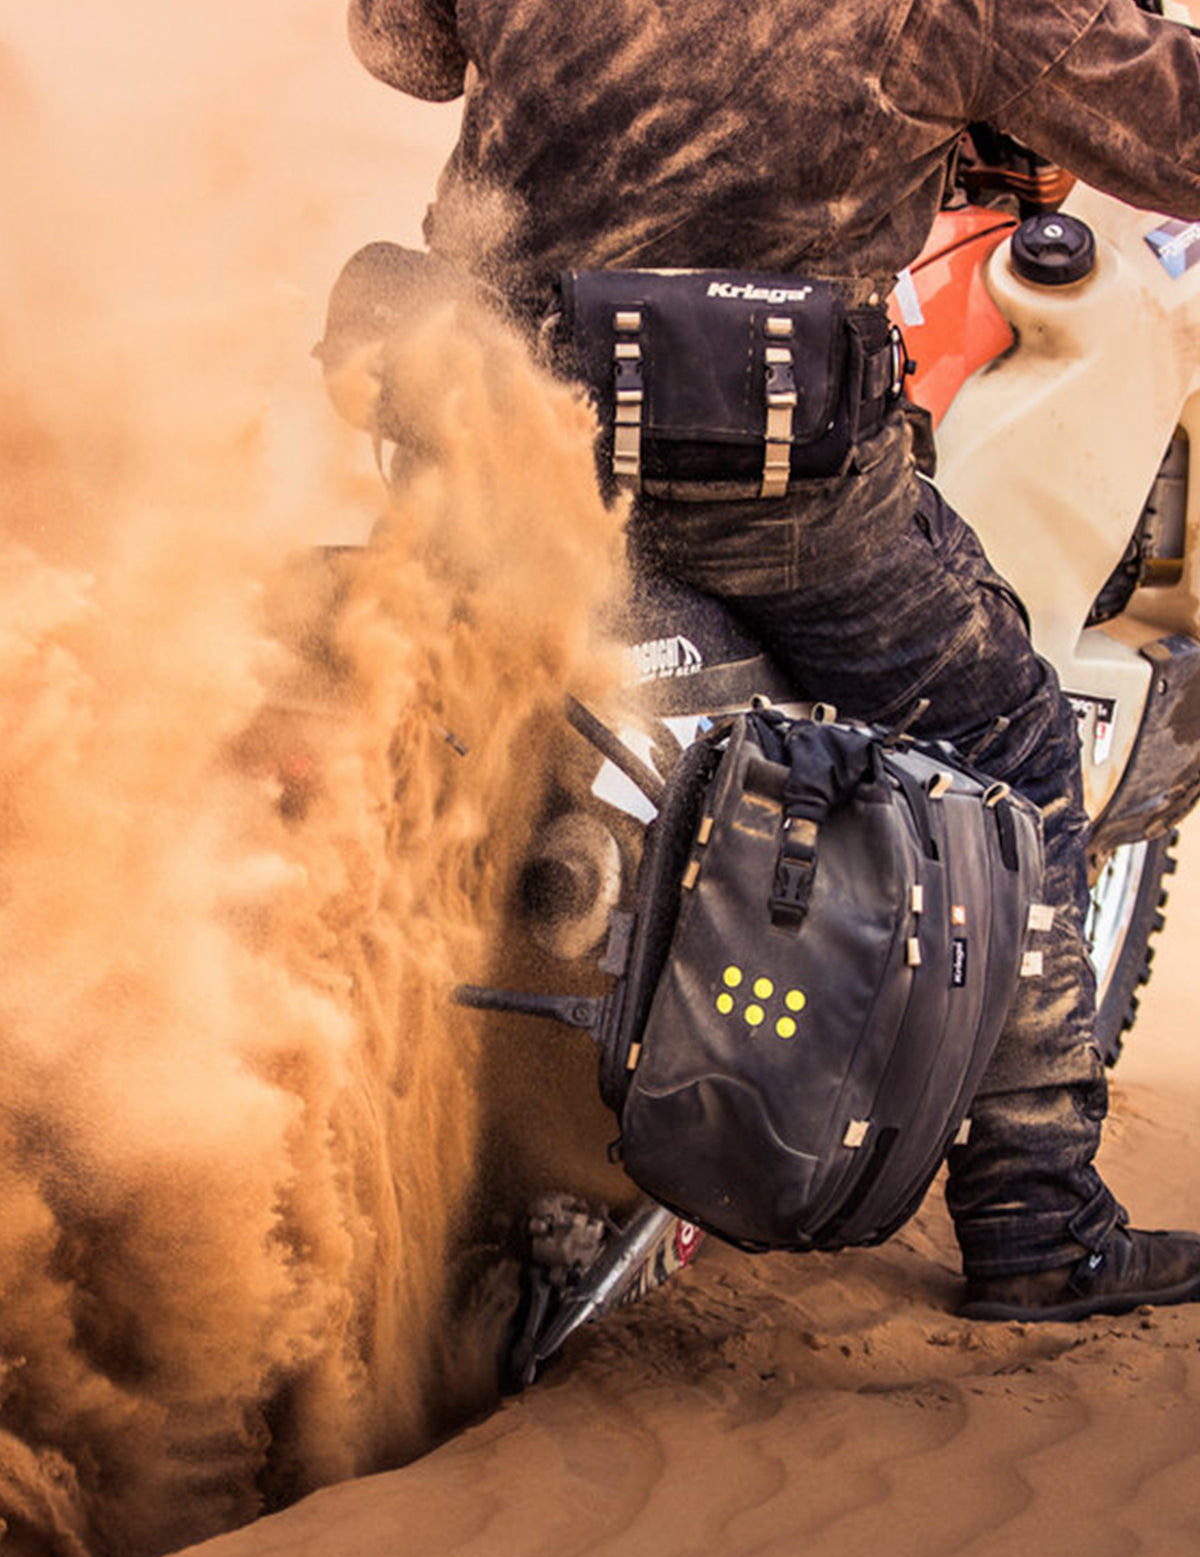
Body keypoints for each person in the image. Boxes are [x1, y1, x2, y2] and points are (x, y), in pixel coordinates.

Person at [345, 0, 1200, 1320]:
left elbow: (400, 50)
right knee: (1016, 738)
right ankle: (1040, 1223)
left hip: (499, 444)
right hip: (773, 498)